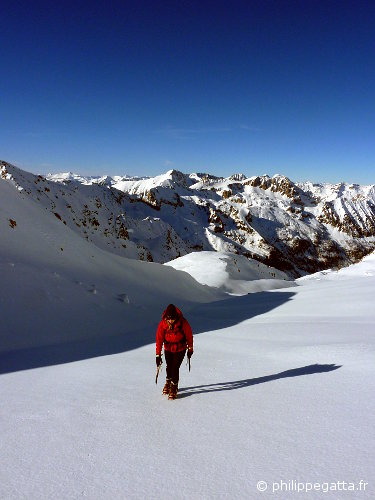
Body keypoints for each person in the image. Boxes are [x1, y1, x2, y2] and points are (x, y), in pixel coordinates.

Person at [156, 304, 193, 400]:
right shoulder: (163, 324)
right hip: (168, 348)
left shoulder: (183, 322)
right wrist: (158, 355)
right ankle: (168, 382)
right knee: (169, 366)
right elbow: (159, 339)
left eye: (172, 319)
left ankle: (174, 386)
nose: (170, 321)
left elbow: (189, 335)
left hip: (180, 348)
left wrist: (190, 349)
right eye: (168, 319)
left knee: (175, 367)